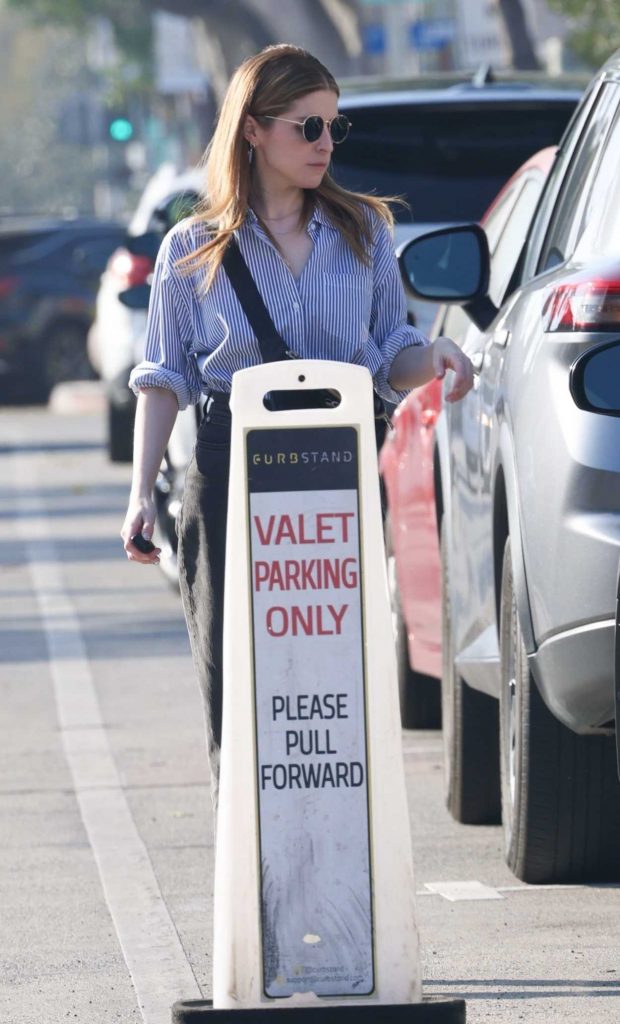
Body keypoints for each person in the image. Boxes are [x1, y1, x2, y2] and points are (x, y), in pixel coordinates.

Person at [121, 43, 474, 811]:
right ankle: (246, 855)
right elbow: (163, 379)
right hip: (228, 465)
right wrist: (141, 493)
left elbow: (390, 350)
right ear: (252, 130)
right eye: (306, 127)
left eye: (332, 129)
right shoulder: (192, 249)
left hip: (335, 461)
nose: (324, 144)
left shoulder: (366, 234)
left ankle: (335, 847)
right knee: (233, 669)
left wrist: (437, 353)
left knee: (334, 671)